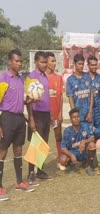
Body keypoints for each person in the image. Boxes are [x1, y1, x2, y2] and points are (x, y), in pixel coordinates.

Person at [0, 49, 35, 201]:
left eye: (21, 61)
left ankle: (20, 182)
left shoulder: (21, 80)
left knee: (18, 149)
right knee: (2, 151)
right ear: (10, 61)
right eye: (17, 61)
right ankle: (0, 187)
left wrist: (28, 102)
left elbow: (20, 100)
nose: (20, 63)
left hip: (20, 118)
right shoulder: (3, 78)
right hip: (6, 118)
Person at [27, 51, 52, 184]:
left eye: (45, 62)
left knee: (43, 144)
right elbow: (28, 100)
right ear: (36, 62)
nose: (44, 64)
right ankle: (31, 173)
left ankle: (40, 170)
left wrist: (51, 114)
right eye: (42, 62)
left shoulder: (44, 76)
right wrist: (31, 118)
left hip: (46, 114)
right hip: (36, 114)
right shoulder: (32, 77)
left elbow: (47, 98)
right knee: (35, 144)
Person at [59, 108, 96, 176]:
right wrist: (71, 155)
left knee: (92, 145)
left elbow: (92, 138)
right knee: (62, 159)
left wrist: (84, 141)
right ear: (70, 119)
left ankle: (89, 166)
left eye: (78, 117)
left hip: (83, 151)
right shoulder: (67, 131)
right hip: (73, 152)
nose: (76, 119)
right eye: (74, 117)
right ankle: (71, 165)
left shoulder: (85, 126)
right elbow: (63, 148)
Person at [45, 52, 65, 171]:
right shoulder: (41, 78)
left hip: (56, 113)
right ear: (46, 62)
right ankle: (39, 164)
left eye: (54, 61)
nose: (54, 63)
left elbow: (61, 96)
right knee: (43, 139)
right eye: (51, 61)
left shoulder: (58, 78)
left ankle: (60, 160)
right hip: (44, 115)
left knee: (58, 136)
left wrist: (60, 112)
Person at [66, 54, 94, 124]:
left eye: (82, 64)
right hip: (77, 115)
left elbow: (91, 94)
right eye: (79, 64)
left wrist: (90, 112)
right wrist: (74, 115)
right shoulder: (70, 80)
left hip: (88, 114)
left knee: (89, 134)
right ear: (74, 64)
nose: (81, 66)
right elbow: (70, 98)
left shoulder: (88, 76)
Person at [88, 55, 100, 128]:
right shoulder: (84, 78)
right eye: (92, 65)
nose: (94, 67)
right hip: (87, 110)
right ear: (88, 65)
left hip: (98, 111)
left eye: (95, 65)